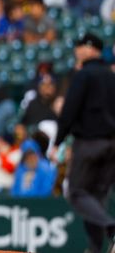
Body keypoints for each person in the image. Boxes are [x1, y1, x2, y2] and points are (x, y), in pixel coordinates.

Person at [53, 33, 115, 253]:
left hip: (88, 143)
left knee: (76, 192)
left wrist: (58, 142)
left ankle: (110, 226)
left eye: (79, 46)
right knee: (96, 199)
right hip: (111, 145)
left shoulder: (83, 74)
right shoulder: (111, 75)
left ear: (90, 48)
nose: (76, 51)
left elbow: (69, 111)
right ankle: (95, 249)